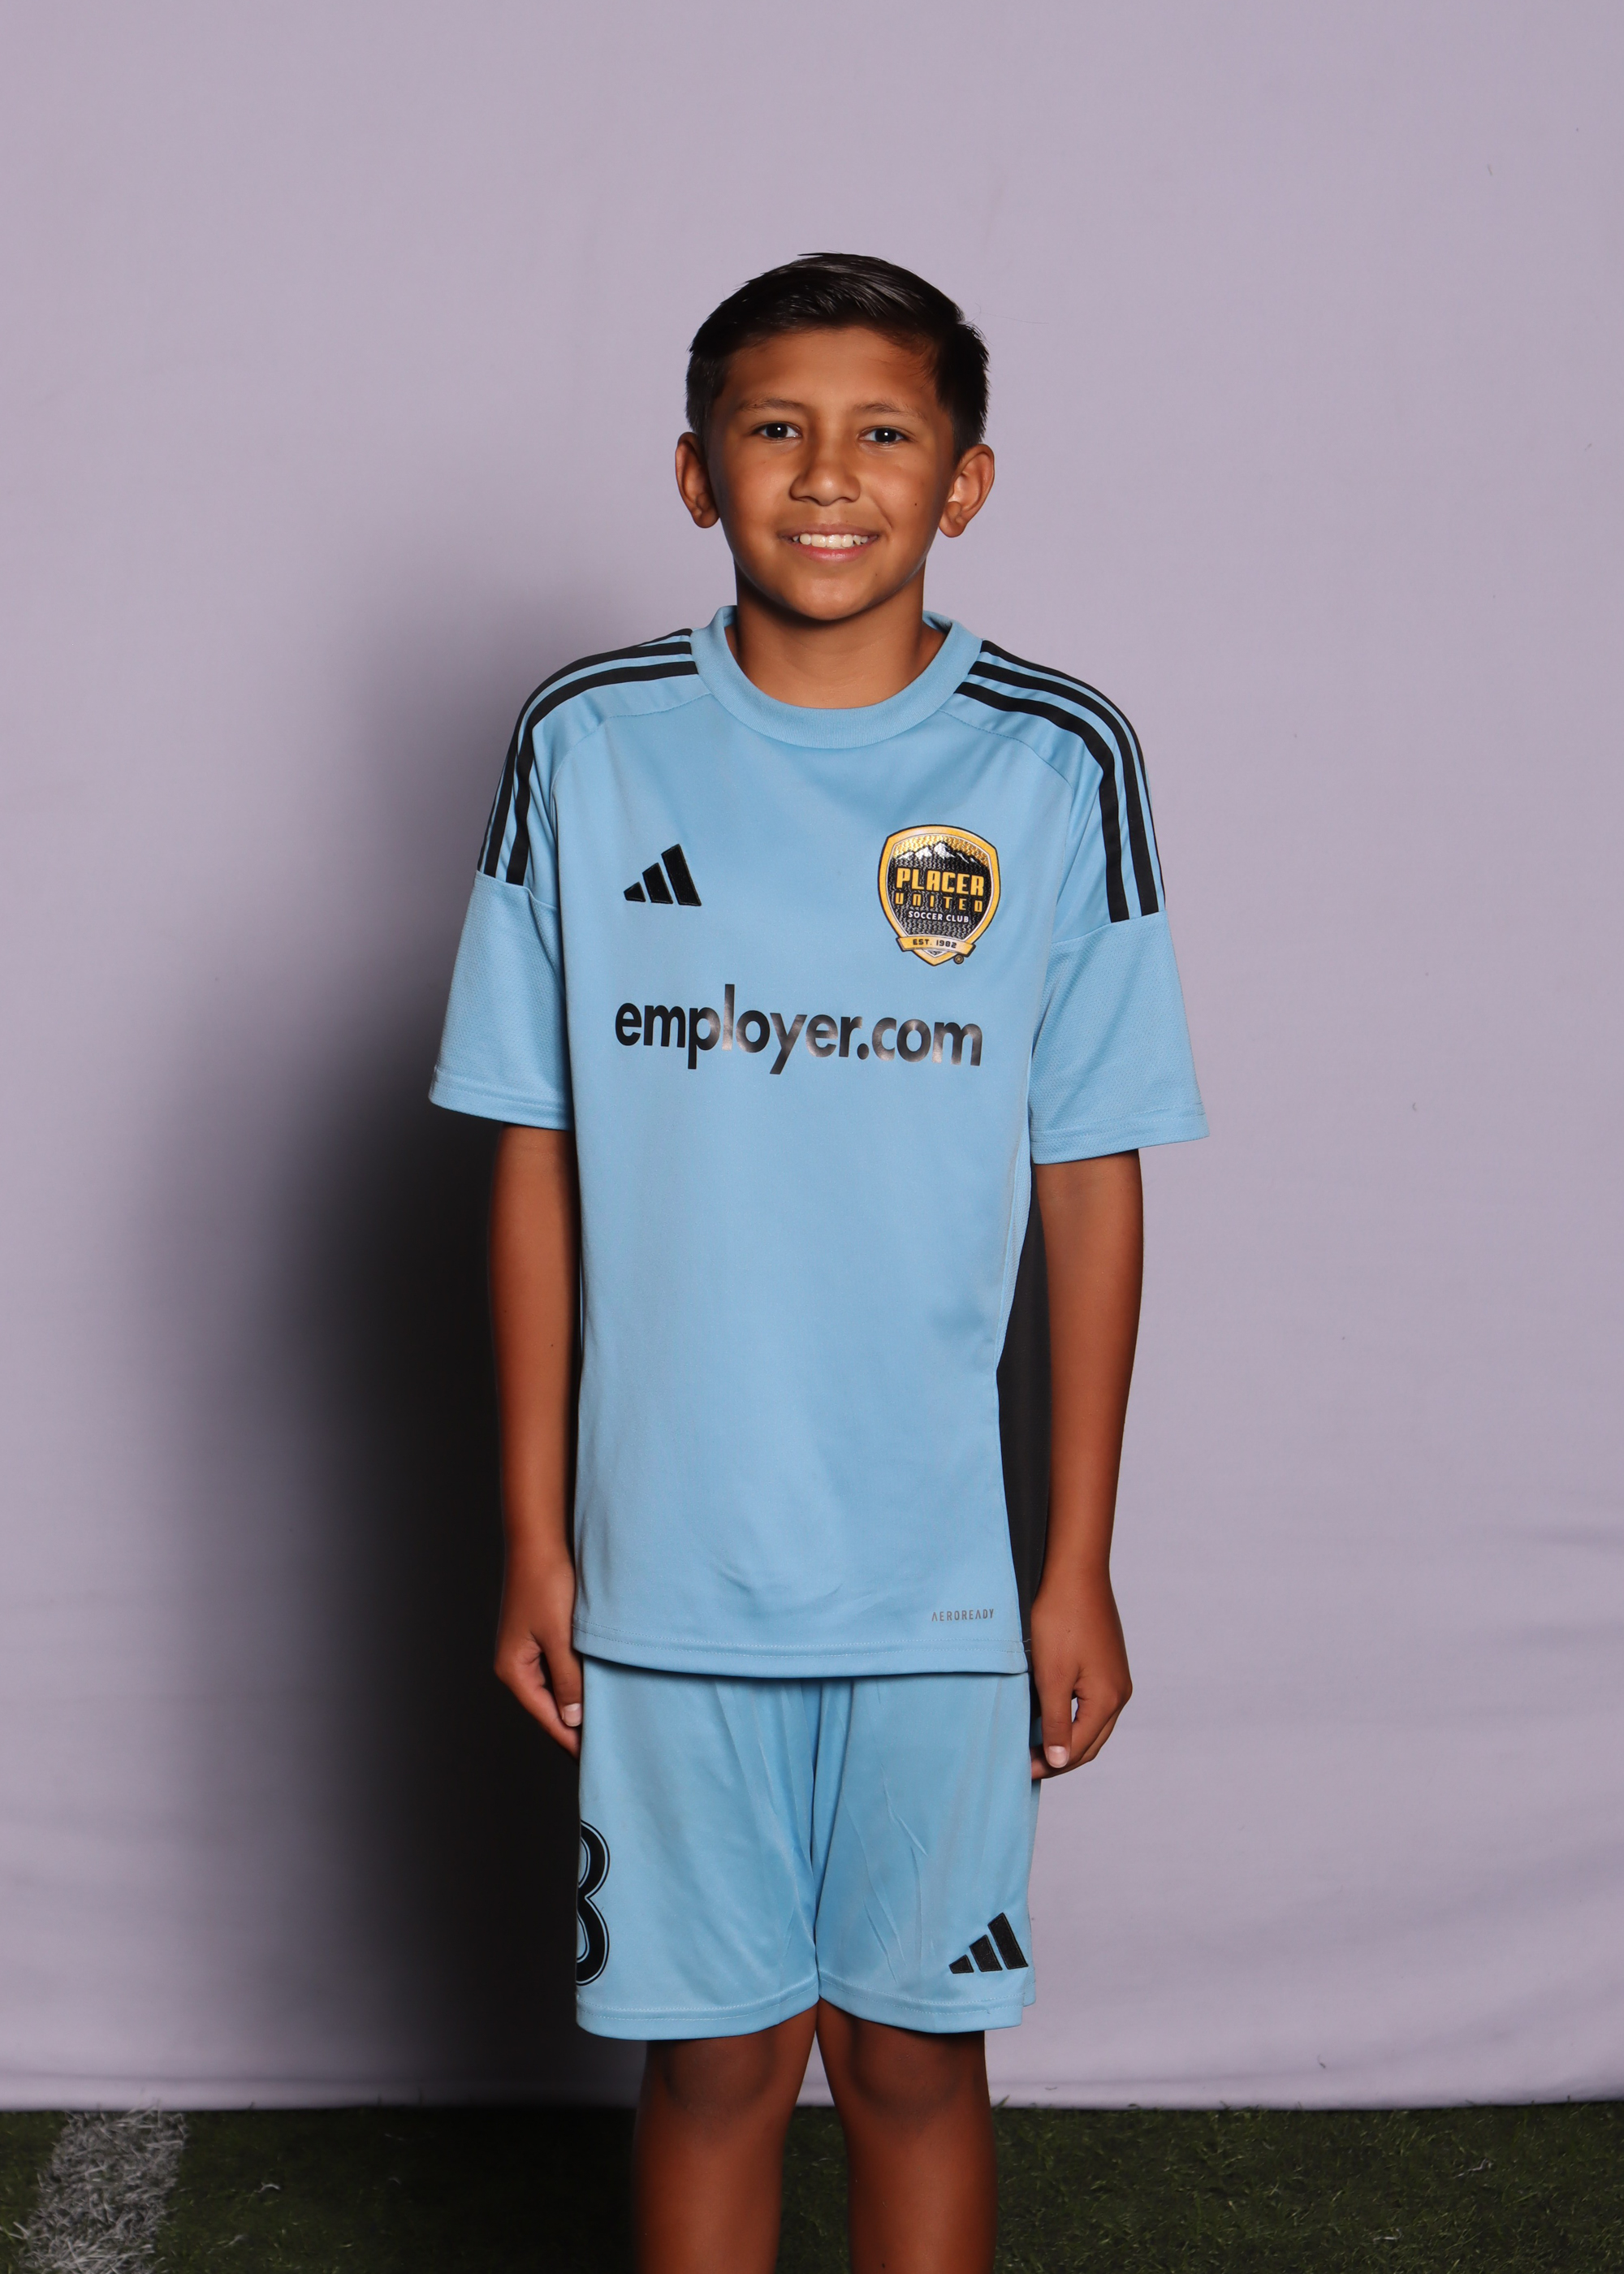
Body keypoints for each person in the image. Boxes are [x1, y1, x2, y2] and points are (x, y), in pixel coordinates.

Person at [429, 253, 1206, 2274]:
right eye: (774, 429)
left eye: (884, 431)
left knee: (911, 2056)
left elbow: (1092, 1176)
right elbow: (535, 1154)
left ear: (965, 480)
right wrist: (535, 1532)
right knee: (712, 2059)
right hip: (668, 1562)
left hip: (941, 1573)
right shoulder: (588, 739)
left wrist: (1077, 1557)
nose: (828, 473)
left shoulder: (1056, 757)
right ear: (697, 472)